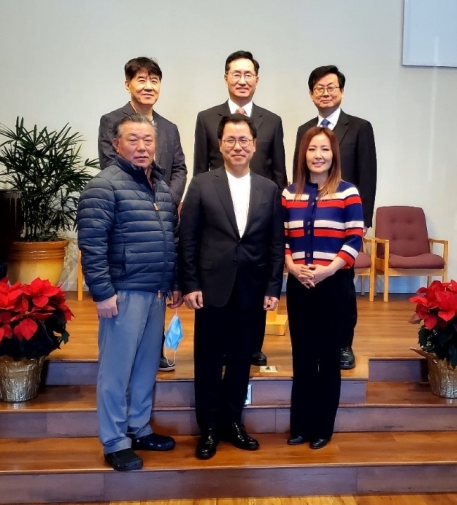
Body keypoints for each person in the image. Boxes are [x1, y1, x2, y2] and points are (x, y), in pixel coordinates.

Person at [77, 114, 182, 472]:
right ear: (116, 144)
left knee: (145, 368)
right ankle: (114, 440)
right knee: (116, 371)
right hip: (122, 293)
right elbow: (91, 244)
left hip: (156, 292)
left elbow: (172, 240)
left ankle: (139, 428)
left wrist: (174, 283)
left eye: (148, 140)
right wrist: (102, 292)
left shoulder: (161, 188)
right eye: (133, 140)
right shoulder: (103, 185)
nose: (142, 147)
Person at [180, 114, 285, 460]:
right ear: (220, 145)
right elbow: (188, 238)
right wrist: (190, 283)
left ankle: (233, 421)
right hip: (211, 286)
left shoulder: (269, 189)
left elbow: (275, 243)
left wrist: (273, 288)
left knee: (242, 359)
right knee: (208, 359)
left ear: (254, 146)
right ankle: (209, 427)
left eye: (244, 140)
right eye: (230, 140)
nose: (237, 146)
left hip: (252, 288)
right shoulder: (201, 184)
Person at [98, 56, 186, 373]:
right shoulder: (112, 120)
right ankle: (125, 354)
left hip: (161, 216)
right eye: (141, 79)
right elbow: (110, 164)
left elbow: (180, 169)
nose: (148, 86)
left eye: (154, 80)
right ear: (128, 84)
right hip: (128, 217)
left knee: (157, 283)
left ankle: (154, 349)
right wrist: (145, 200)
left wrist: (164, 200)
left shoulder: (170, 128)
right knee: (131, 293)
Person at [283, 126, 364, 450]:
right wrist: (292, 267)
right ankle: (300, 425)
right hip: (299, 285)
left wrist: (328, 270)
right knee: (302, 356)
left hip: (334, 284)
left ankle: (322, 427)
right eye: (312, 149)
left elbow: (354, 239)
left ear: (334, 155)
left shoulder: (348, 192)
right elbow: (283, 240)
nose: (318, 155)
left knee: (328, 358)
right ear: (303, 154)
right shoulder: (289, 194)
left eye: (325, 149)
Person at [293, 65, 377, 371]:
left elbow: (368, 174)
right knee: (308, 282)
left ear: (341, 91)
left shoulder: (359, 127)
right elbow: (298, 174)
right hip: (309, 218)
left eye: (331, 87)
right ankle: (313, 339)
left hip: (344, 219)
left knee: (342, 285)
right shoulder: (304, 130)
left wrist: (362, 222)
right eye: (319, 88)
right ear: (311, 93)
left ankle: (343, 343)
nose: (325, 93)